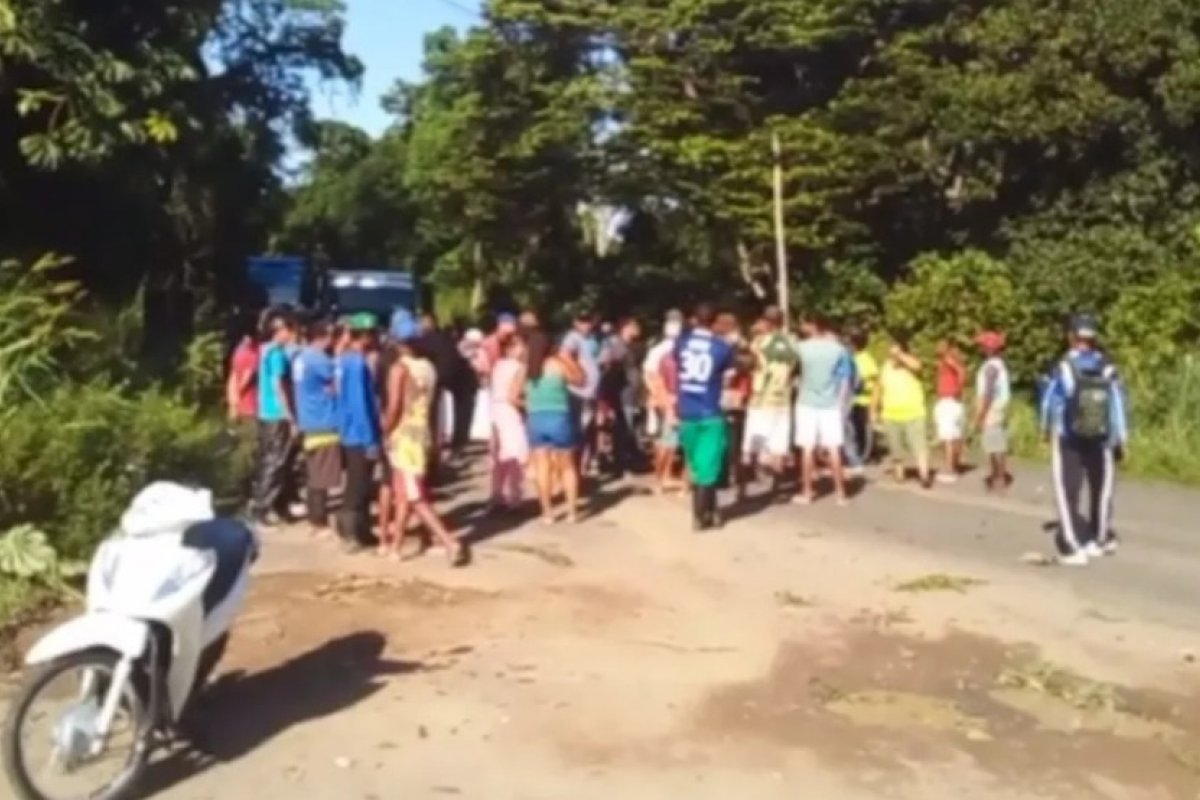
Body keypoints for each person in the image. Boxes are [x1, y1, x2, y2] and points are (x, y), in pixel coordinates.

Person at [1039, 314, 1128, 565]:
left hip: (1069, 436)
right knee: (1102, 488)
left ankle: (1070, 545)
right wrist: (1121, 436)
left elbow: (1050, 400)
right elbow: (1118, 403)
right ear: (1093, 338)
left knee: (1068, 490)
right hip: (1101, 438)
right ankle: (1098, 539)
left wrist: (1045, 429)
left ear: (1072, 336)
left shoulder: (1065, 366)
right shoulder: (1107, 366)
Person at [382, 325, 469, 566]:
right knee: (403, 494)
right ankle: (396, 546)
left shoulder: (399, 369)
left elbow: (394, 406)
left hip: (404, 434)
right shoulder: (428, 368)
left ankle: (448, 541)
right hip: (422, 431)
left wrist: (385, 430)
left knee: (414, 496)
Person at [675, 303, 735, 531]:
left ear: (694, 319)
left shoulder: (681, 343)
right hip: (710, 410)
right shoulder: (721, 347)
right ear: (714, 322)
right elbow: (729, 379)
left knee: (697, 464)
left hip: (687, 410)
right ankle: (701, 515)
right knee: (709, 465)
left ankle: (710, 510)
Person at [515, 331, 585, 523]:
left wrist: (528, 405)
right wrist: (568, 359)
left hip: (536, 419)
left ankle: (547, 512)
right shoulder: (557, 365)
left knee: (541, 467)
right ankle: (571, 512)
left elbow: (512, 396)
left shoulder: (526, 369)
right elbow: (581, 380)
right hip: (559, 417)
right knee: (567, 467)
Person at [793, 313, 852, 505]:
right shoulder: (839, 350)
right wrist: (842, 403)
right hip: (831, 403)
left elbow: (791, 369)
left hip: (806, 402)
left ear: (814, 326)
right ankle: (840, 494)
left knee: (807, 448)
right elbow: (845, 380)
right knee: (834, 448)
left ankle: (807, 491)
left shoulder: (801, 348)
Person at [335, 313, 382, 552]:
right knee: (359, 484)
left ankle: (362, 530)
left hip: (348, 430)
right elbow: (360, 404)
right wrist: (370, 439)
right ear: (364, 335)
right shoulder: (356, 364)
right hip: (359, 433)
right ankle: (350, 531)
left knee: (359, 482)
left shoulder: (343, 360)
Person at [293, 320, 340, 538]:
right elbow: (337, 383)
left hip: (307, 418)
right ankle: (318, 522)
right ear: (323, 336)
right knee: (322, 474)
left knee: (314, 474)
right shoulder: (319, 359)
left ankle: (315, 516)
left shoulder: (301, 358)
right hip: (323, 419)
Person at [250, 313, 298, 526]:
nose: (292, 335)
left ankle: (277, 504)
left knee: (268, 458)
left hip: (264, 411)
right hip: (276, 413)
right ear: (280, 331)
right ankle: (263, 507)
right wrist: (290, 415)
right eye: (290, 330)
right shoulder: (277, 354)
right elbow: (279, 386)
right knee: (276, 461)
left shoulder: (264, 350)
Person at [742, 307, 796, 495]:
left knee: (753, 444)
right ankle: (777, 487)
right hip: (782, 398)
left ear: (767, 322)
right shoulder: (791, 342)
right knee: (779, 445)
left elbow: (750, 363)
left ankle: (747, 486)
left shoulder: (758, 342)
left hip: (761, 398)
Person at [876, 334, 931, 487]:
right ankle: (899, 474)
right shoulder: (886, 367)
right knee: (896, 448)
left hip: (914, 412)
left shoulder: (910, 364)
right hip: (891, 413)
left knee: (919, 446)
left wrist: (900, 355)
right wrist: (874, 409)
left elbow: (918, 366)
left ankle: (924, 475)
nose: (892, 354)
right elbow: (879, 388)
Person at [596, 317, 645, 477]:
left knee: (627, 428)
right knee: (622, 430)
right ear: (625, 327)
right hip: (622, 394)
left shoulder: (628, 346)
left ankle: (624, 462)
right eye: (634, 325)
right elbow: (609, 367)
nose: (637, 328)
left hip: (631, 394)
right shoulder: (617, 345)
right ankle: (619, 465)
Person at [644, 310, 685, 494]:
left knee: (667, 441)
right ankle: (660, 478)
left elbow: (648, 375)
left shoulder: (658, 349)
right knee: (668, 441)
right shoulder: (667, 350)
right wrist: (663, 398)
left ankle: (663, 476)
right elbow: (650, 376)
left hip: (664, 399)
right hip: (669, 399)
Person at [489, 334, 529, 510]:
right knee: (515, 452)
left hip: (496, 409)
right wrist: (528, 405)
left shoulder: (498, 366)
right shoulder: (519, 367)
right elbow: (513, 396)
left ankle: (496, 493)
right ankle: (514, 495)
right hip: (509, 410)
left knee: (500, 455)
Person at [973, 330, 1012, 493]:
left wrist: (981, 414)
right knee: (998, 443)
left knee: (993, 445)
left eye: (983, 346)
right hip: (999, 407)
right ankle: (999, 476)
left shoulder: (990, 368)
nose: (980, 348)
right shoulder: (1000, 365)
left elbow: (988, 392)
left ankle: (998, 478)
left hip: (992, 408)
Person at [934, 339, 968, 482]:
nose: (937, 347)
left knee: (947, 437)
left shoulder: (948, 359)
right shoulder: (948, 360)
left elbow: (961, 372)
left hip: (948, 399)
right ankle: (955, 464)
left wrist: (958, 389)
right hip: (953, 401)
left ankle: (950, 469)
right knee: (955, 435)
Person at [847, 326, 879, 470]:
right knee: (856, 429)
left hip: (863, 400)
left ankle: (865, 455)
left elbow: (873, 379)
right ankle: (860, 454)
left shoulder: (863, 359)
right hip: (855, 399)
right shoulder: (857, 358)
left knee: (863, 430)